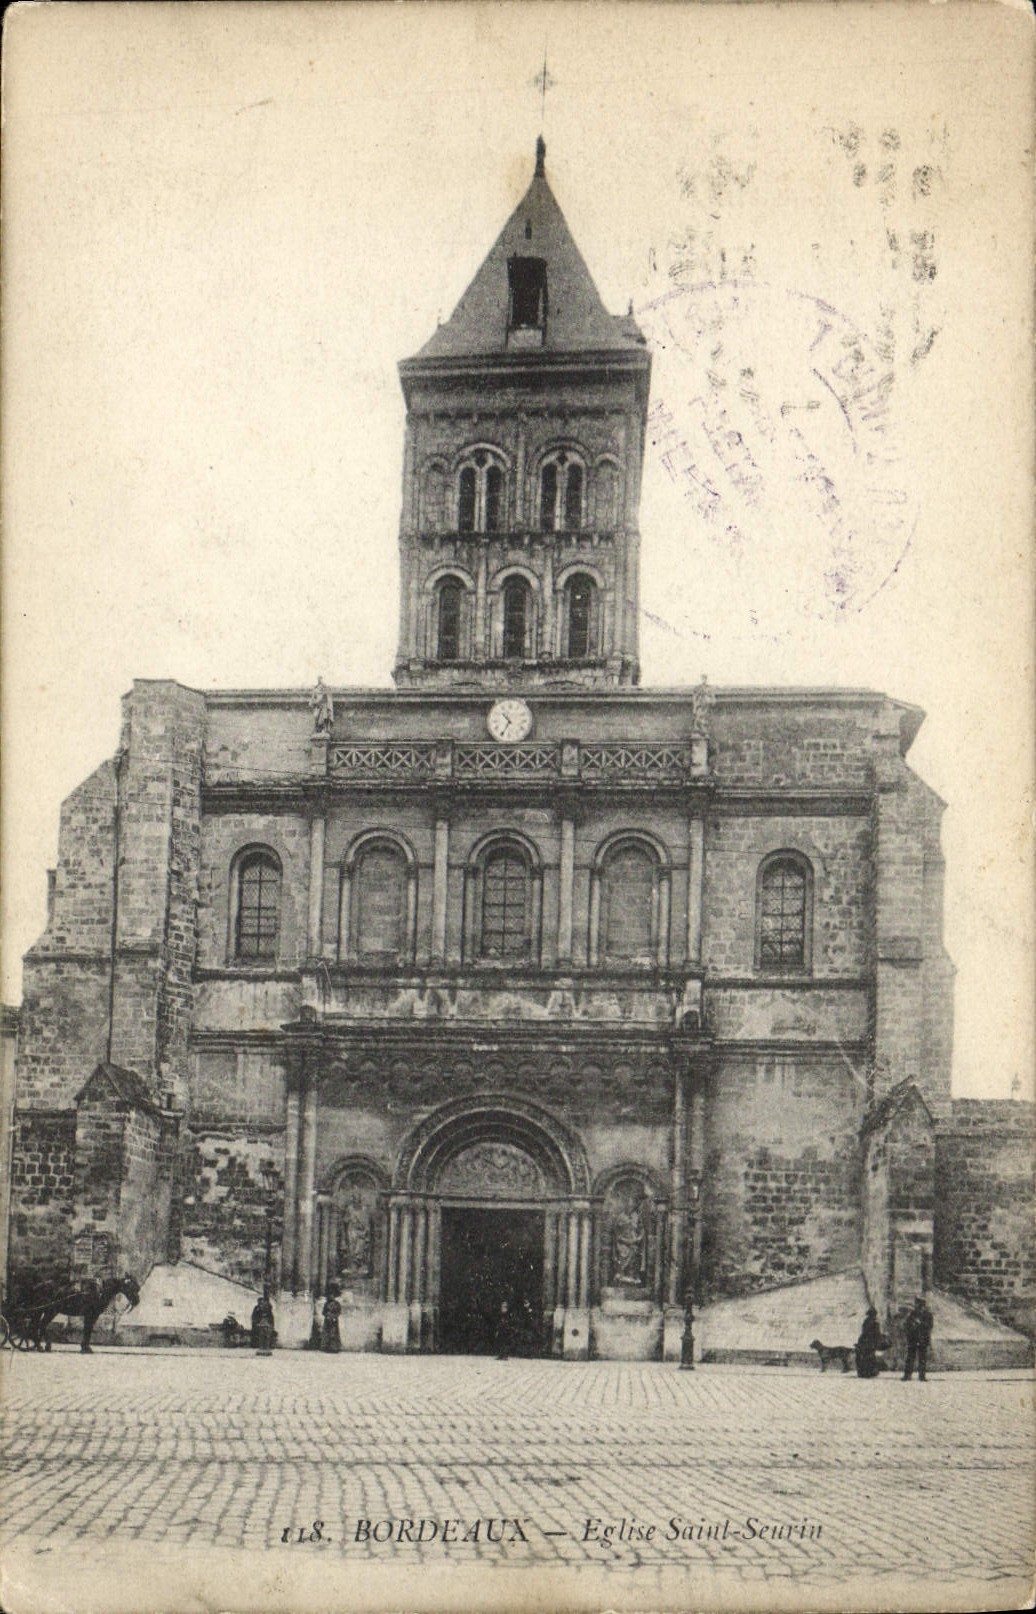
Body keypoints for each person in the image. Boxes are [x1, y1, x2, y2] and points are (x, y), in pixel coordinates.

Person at [902, 1295, 933, 1381]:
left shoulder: (928, 1315)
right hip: (913, 1339)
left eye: (918, 1304)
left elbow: (930, 1326)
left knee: (922, 1358)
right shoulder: (913, 1314)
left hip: (923, 1339)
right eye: (917, 1304)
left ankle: (922, 1376)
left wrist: (920, 1323)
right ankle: (907, 1375)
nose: (917, 1306)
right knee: (910, 1358)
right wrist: (911, 1326)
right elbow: (907, 1325)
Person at [855, 1305, 889, 1378]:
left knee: (865, 1357)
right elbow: (876, 1333)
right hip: (870, 1342)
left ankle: (863, 1372)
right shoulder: (875, 1323)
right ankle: (869, 1372)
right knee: (870, 1357)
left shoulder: (866, 1321)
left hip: (864, 1341)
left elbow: (864, 1332)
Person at [250, 1288, 276, 1354]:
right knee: (261, 1336)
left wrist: (271, 1324)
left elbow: (270, 1317)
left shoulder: (268, 1309)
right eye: (261, 1302)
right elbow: (254, 1316)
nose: (262, 1304)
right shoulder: (257, 1308)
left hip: (266, 1323)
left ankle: (266, 1348)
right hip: (261, 1323)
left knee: (266, 1336)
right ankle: (261, 1348)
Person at [321, 1286, 342, 1353]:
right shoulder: (326, 1304)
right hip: (327, 1320)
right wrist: (327, 1315)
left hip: (334, 1321)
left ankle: (335, 1348)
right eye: (329, 1295)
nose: (330, 1296)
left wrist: (334, 1317)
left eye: (332, 1295)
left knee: (334, 1334)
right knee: (327, 1334)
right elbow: (323, 1312)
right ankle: (327, 1347)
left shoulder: (337, 1304)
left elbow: (339, 1312)